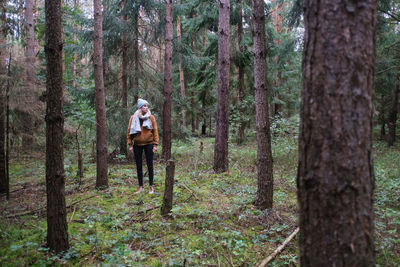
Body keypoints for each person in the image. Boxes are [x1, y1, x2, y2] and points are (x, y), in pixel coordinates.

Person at [127, 98, 159, 194]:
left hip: (149, 144)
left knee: (150, 165)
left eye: (147, 106)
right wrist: (130, 144)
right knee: (139, 166)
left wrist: (155, 144)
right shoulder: (133, 117)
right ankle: (140, 186)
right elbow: (129, 131)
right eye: (144, 106)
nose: (146, 107)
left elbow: (155, 131)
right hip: (137, 145)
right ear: (140, 107)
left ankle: (151, 186)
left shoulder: (151, 117)